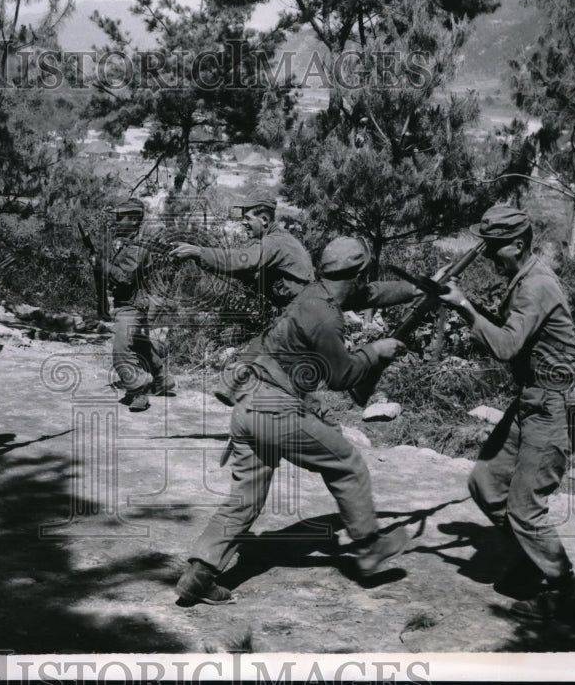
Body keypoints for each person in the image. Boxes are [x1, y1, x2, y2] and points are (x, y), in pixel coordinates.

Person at [175, 235, 419, 605]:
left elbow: (370, 294)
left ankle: (199, 574)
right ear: (360, 271)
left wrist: (415, 289)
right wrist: (375, 351)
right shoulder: (325, 317)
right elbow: (342, 377)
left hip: (248, 406)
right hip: (276, 409)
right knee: (347, 464)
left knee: (244, 499)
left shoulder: (314, 295)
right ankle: (369, 548)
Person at [438, 204, 575, 622]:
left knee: (524, 506)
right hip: (531, 400)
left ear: (517, 245)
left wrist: (465, 306)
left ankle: (560, 588)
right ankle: (528, 558)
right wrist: (464, 300)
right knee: (485, 482)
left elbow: (505, 347)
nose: (487, 255)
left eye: (495, 247)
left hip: (552, 405)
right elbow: (509, 331)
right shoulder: (523, 277)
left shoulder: (536, 285)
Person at [169, 194, 314, 405]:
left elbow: (240, 260)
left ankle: (319, 423)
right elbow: (248, 272)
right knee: (257, 361)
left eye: (247, 218)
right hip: (297, 316)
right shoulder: (276, 241)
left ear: (264, 219)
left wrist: (200, 252)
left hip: (302, 317)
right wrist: (202, 260)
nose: (243, 223)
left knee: (268, 368)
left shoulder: (274, 243)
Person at [102, 198, 173, 413]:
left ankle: (137, 389)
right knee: (140, 345)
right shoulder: (127, 242)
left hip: (134, 305)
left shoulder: (137, 247)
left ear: (133, 220)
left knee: (121, 352)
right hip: (131, 303)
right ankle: (163, 380)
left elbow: (125, 278)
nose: (115, 222)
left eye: (119, 218)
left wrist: (102, 265)